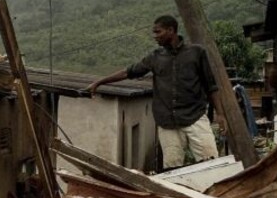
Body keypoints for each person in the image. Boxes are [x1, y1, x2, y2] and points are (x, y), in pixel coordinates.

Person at [89, 15, 220, 170]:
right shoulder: (155, 57)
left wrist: (221, 114)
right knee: (172, 170)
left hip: (195, 117)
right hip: (167, 123)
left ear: (171, 30)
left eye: (158, 32)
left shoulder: (196, 53)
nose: (155, 36)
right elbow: (129, 72)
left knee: (211, 165)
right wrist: (99, 82)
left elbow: (211, 86)